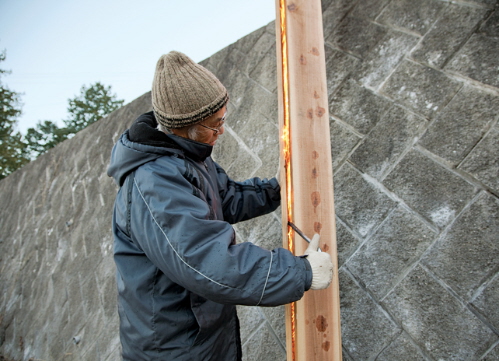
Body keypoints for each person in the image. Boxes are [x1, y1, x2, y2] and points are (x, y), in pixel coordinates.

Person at [107, 51, 333, 361]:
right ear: (185, 126)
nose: (222, 131)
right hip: (174, 348)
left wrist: (274, 189)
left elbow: (225, 198)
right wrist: (300, 271)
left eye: (223, 119)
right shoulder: (154, 181)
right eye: (216, 124)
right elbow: (207, 261)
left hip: (200, 333)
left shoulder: (186, 159)